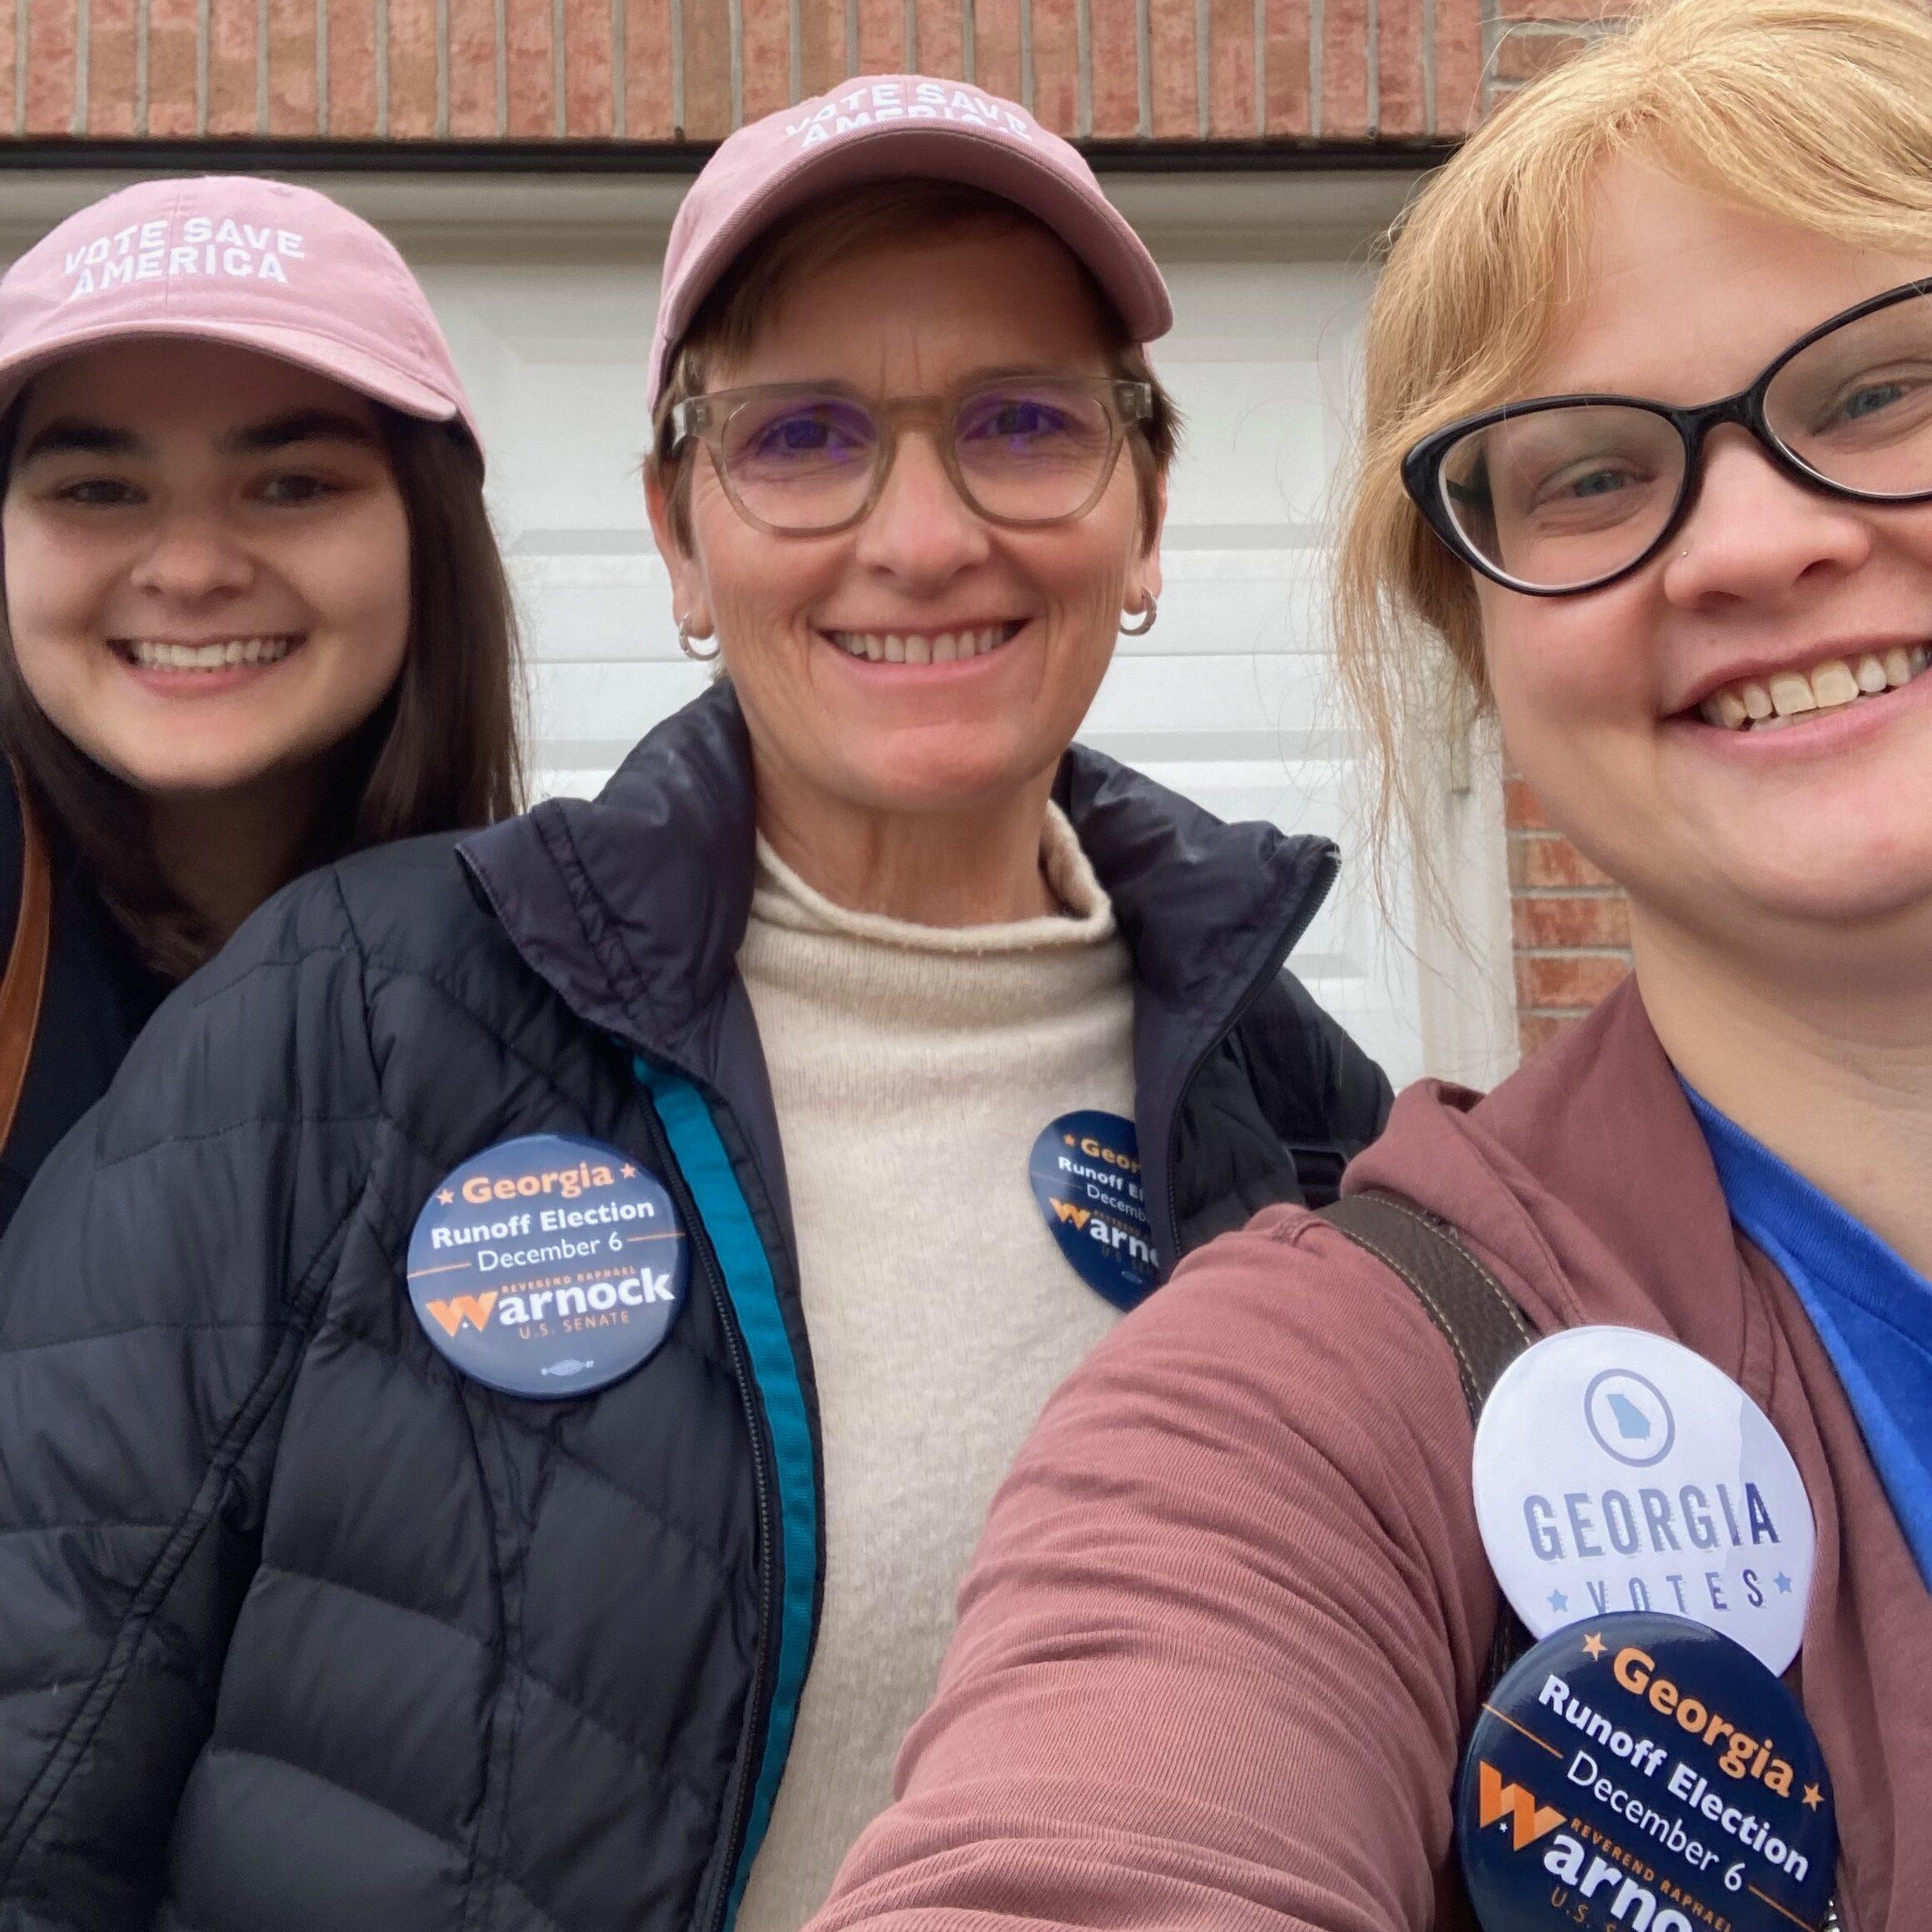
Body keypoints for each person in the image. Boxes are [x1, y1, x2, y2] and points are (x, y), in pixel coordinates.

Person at [0, 82, 1387, 1930]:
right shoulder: (354, 1012)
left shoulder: (1312, 1133)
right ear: (675, 530)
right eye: (803, 437)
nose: (920, 534)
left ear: (1142, 513)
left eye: (1024, 424)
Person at [794, 4, 1932, 1930]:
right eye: (1583, 477)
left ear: (1149, 517)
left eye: (1888, 387)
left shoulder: (1264, 1064)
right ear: (1479, 643)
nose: (1746, 542)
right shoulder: (1336, 1379)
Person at [0, 175, 520, 1233]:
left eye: (294, 486)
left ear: (429, 535)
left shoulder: (557, 982)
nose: (190, 573)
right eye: (96, 489)